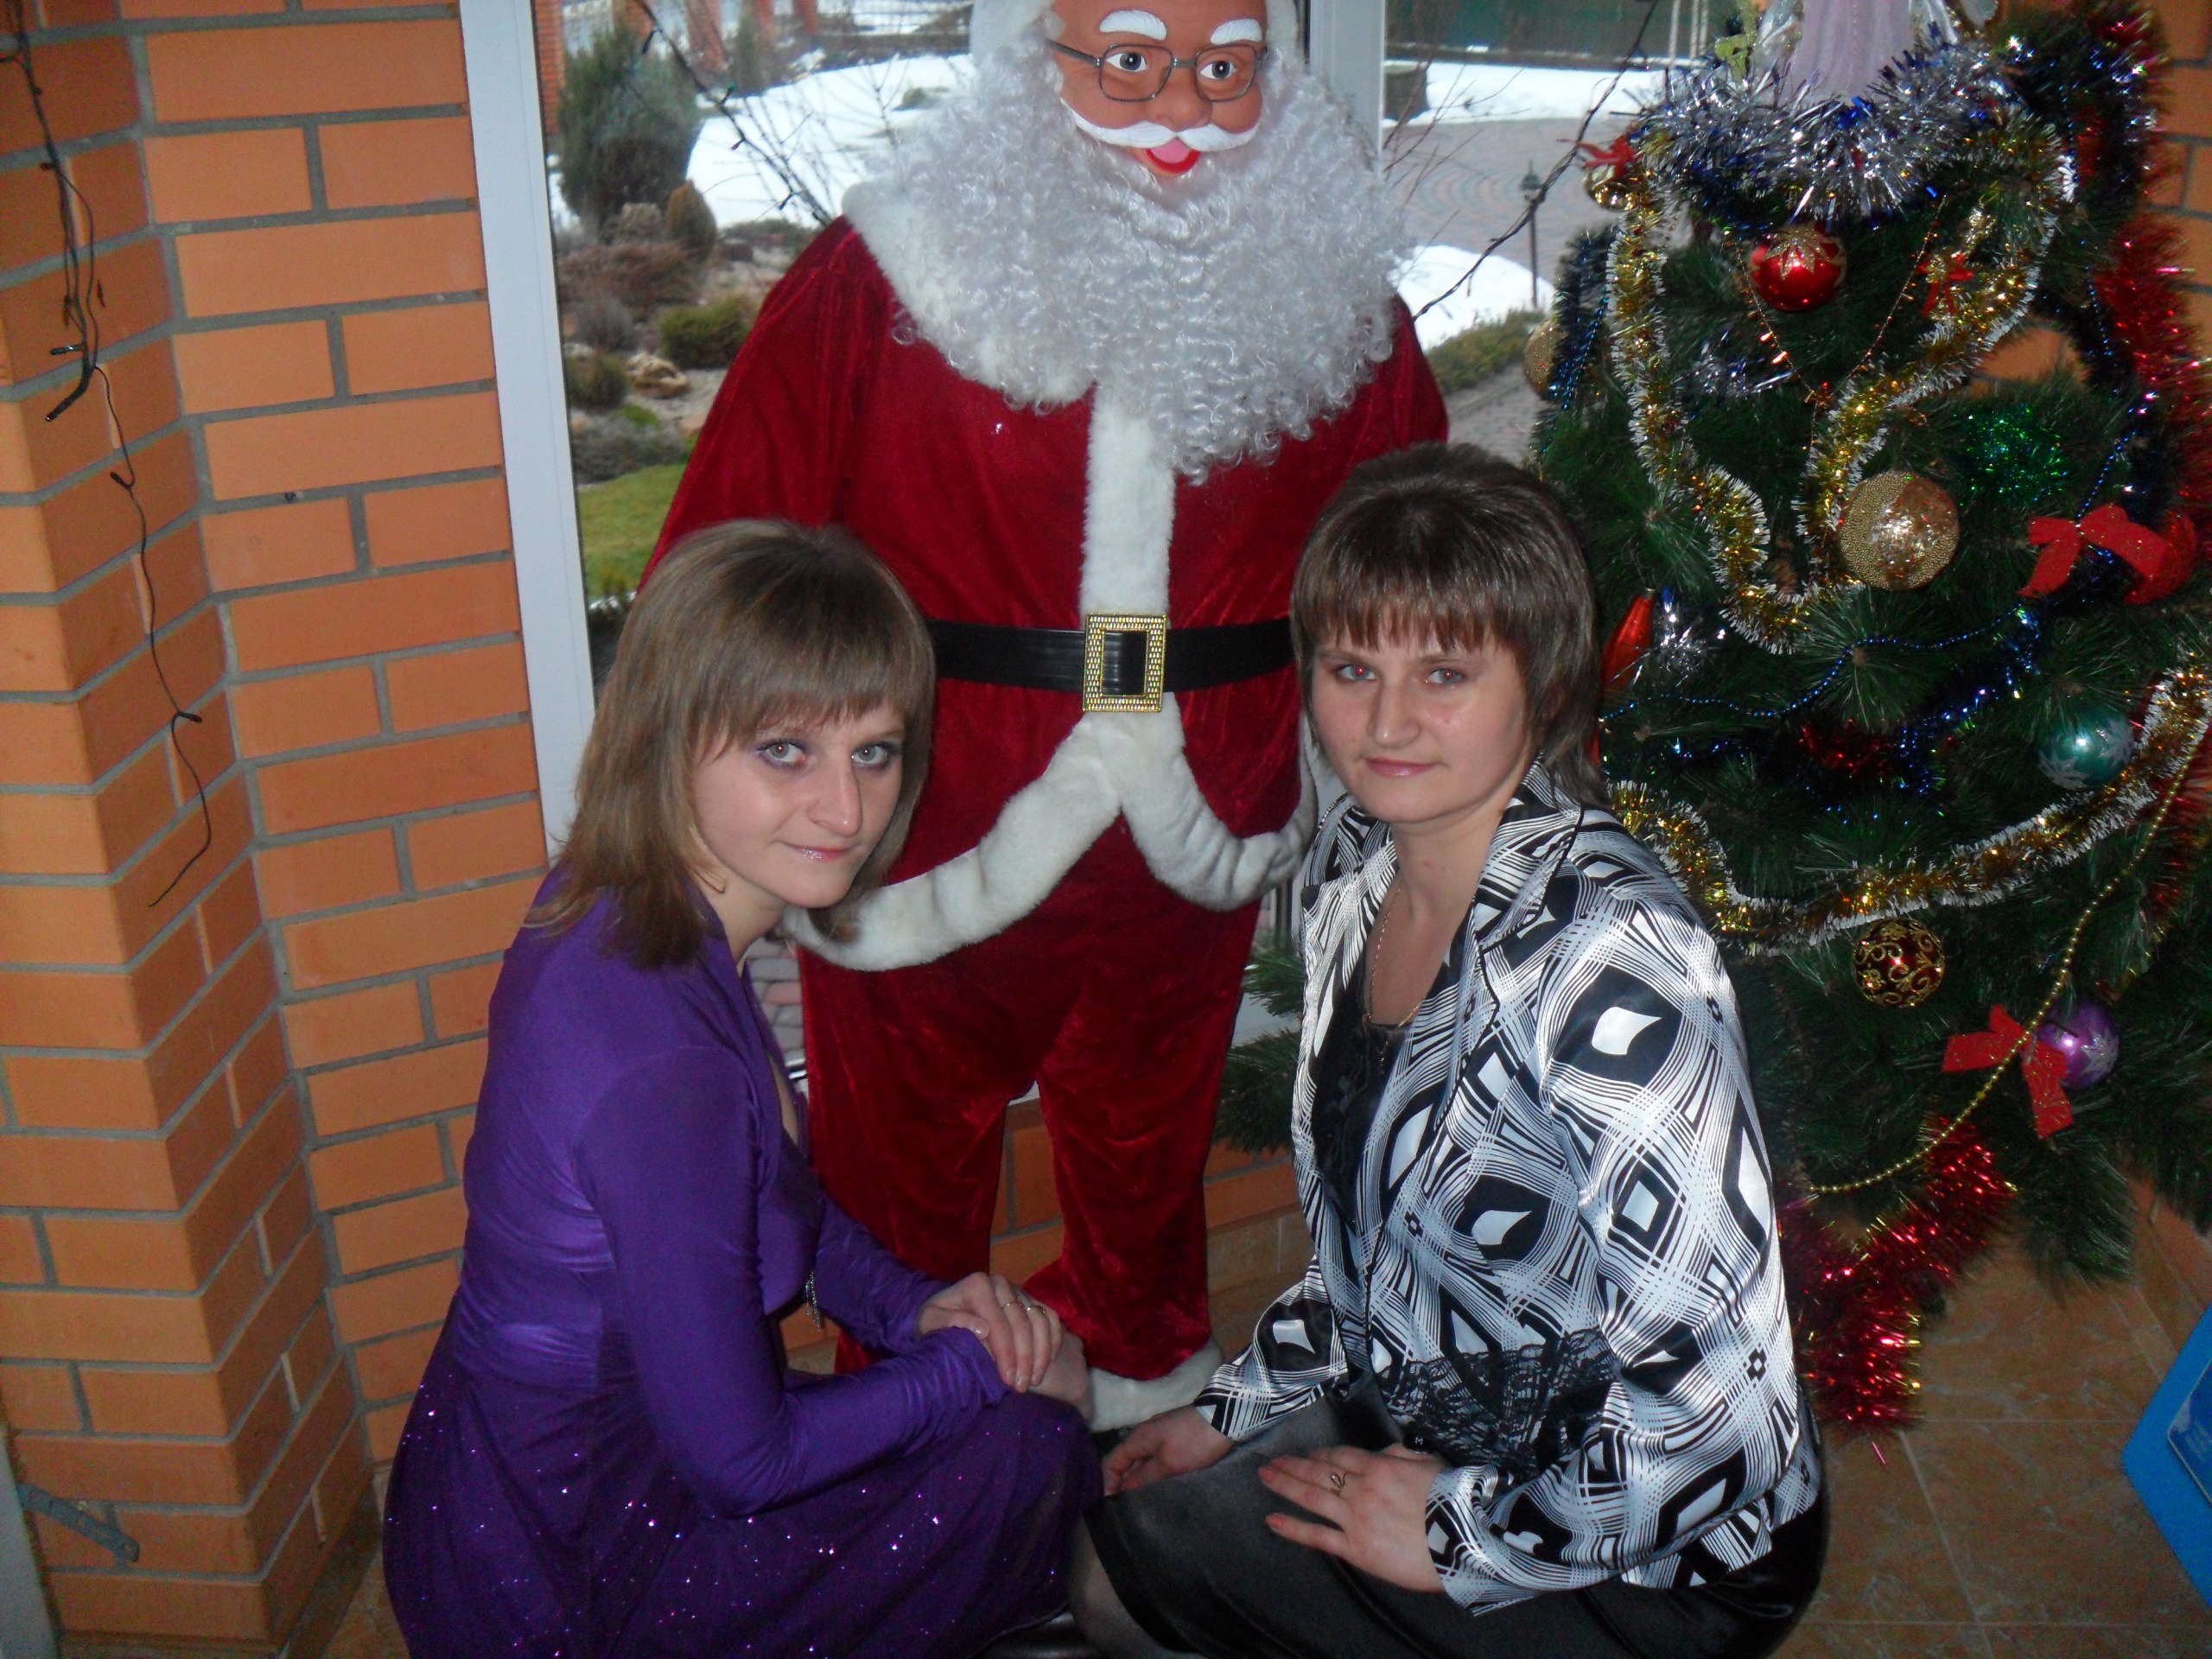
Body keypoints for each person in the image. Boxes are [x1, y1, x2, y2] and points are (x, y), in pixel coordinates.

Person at [650, 0, 1447, 1424]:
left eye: (1225, 69)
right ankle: (911, 1454)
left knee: (1149, 1160)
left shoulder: (1336, 299)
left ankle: (1142, 1413)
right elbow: (731, 558)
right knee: (900, 1194)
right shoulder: (878, 276)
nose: (1182, 111)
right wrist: (729, 810)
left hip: (1200, 828)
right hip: (923, 815)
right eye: (1132, 63)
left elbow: (1420, 550)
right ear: (1039, 60)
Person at [1072, 447, 1827, 1659]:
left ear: (1546, 680)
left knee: (1119, 1586)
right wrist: (1234, 1408)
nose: (1385, 724)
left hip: (1644, 1532)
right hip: (1444, 1410)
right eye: (1351, 669)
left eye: (1445, 673)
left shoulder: (1609, 956)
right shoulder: (1356, 877)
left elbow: (1726, 1414)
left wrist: (1463, 1538)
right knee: (1124, 1535)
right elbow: (1381, 1257)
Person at [381, 524, 1098, 1658]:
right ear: (668, 737)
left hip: (527, 1476)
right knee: (1033, 1446)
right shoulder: (665, 1069)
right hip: (581, 1560)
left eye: (875, 751)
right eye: (785, 751)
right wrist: (987, 1363)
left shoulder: (627, 904)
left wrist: (914, 1309)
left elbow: (771, 1198)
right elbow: (744, 1463)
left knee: (1001, 1429)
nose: (845, 810)